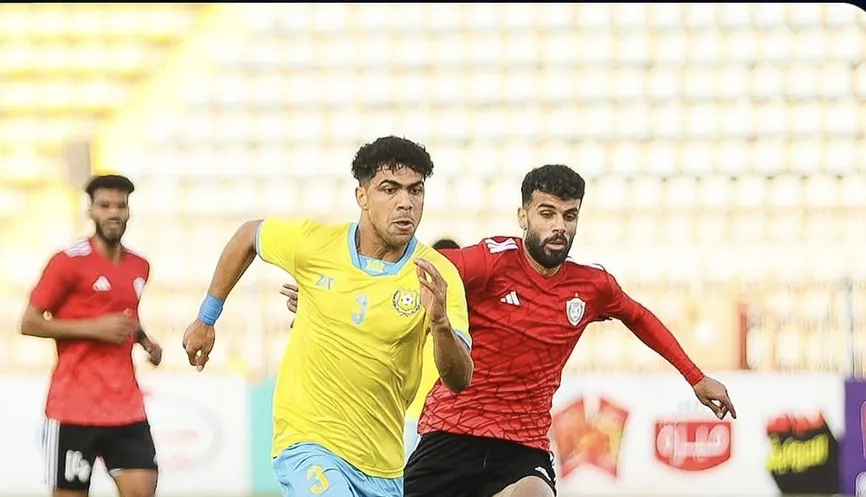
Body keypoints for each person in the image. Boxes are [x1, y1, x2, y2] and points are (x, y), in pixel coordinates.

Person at [284, 164, 737, 497]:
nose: (558, 227)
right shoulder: (490, 261)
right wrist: (333, 298)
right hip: (451, 434)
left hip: (522, 447)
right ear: (523, 217)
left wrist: (696, 377)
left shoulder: (592, 286)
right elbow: (415, 271)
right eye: (547, 214)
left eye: (569, 216)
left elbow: (638, 316)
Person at [182, 136, 473, 497]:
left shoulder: (437, 275)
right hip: (308, 440)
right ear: (361, 196)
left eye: (416, 191)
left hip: (382, 464)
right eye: (390, 189)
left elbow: (460, 379)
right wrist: (206, 319)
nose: (405, 203)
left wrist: (441, 324)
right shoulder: (316, 244)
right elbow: (249, 236)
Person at [20, 174, 163, 497]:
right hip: (73, 408)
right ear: (91, 211)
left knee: (143, 490)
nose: (114, 213)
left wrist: (145, 341)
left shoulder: (140, 266)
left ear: (128, 211)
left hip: (126, 407)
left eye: (120, 206)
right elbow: (29, 322)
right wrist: (94, 328)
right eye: (105, 205)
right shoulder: (67, 262)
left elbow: (126, 314)